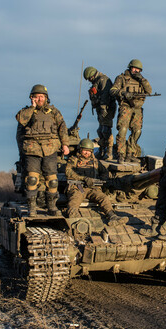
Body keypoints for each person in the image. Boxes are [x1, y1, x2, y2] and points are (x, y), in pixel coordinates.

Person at [16, 84, 70, 216]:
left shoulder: (53, 112)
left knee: (52, 180)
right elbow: (21, 120)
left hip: (50, 148)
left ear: (46, 98)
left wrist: (65, 144)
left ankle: (52, 206)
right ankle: (32, 208)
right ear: (32, 98)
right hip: (32, 149)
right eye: (36, 97)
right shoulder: (26, 112)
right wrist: (32, 107)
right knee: (32, 179)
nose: (40, 99)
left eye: (42, 96)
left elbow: (62, 128)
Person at [65, 138, 128, 225]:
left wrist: (102, 179)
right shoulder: (73, 160)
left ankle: (112, 216)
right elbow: (68, 172)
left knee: (104, 198)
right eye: (84, 150)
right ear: (80, 150)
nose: (87, 153)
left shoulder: (95, 161)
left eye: (89, 151)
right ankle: (74, 218)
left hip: (93, 188)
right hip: (78, 187)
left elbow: (105, 172)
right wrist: (84, 178)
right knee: (74, 200)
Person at [110, 59, 152, 164]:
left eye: (138, 69)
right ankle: (121, 154)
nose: (136, 71)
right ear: (130, 67)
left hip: (137, 108)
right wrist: (123, 93)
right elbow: (112, 90)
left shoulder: (141, 80)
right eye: (134, 68)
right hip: (126, 106)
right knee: (123, 129)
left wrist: (142, 80)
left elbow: (149, 91)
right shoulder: (122, 78)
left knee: (137, 131)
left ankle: (130, 153)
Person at [83, 66, 117, 160]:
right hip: (100, 109)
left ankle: (109, 152)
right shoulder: (96, 82)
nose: (89, 80)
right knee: (100, 131)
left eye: (90, 78)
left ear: (93, 75)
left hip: (107, 108)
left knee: (106, 130)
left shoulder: (103, 80)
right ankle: (102, 150)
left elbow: (106, 94)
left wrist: (103, 107)